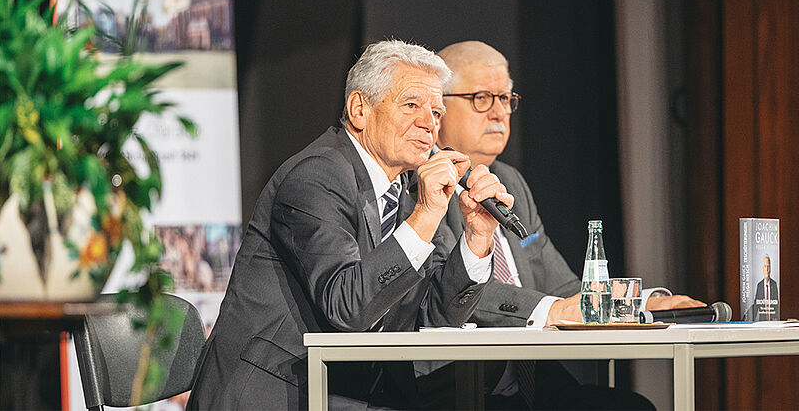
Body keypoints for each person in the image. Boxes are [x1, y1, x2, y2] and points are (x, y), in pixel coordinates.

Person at [187, 40, 513, 410]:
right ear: (360, 109)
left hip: (348, 390)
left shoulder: (407, 190)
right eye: (411, 105)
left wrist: (477, 235)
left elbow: (436, 316)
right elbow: (347, 308)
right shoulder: (317, 177)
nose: (429, 124)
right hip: (277, 391)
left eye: (437, 113)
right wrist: (425, 215)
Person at [419, 40, 705, 410]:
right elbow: (453, 293)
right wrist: (555, 310)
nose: (499, 113)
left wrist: (640, 303)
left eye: (506, 99)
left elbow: (563, 288)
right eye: (481, 97)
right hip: (464, 385)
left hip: (534, 381)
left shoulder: (511, 181)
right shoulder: (423, 184)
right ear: (438, 110)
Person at [754, 254, 779, 320]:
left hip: (773, 321)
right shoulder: (759, 285)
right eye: (765, 266)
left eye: (768, 266)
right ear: (762, 269)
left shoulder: (774, 284)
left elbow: (777, 304)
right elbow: (756, 305)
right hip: (762, 322)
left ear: (770, 268)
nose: (767, 269)